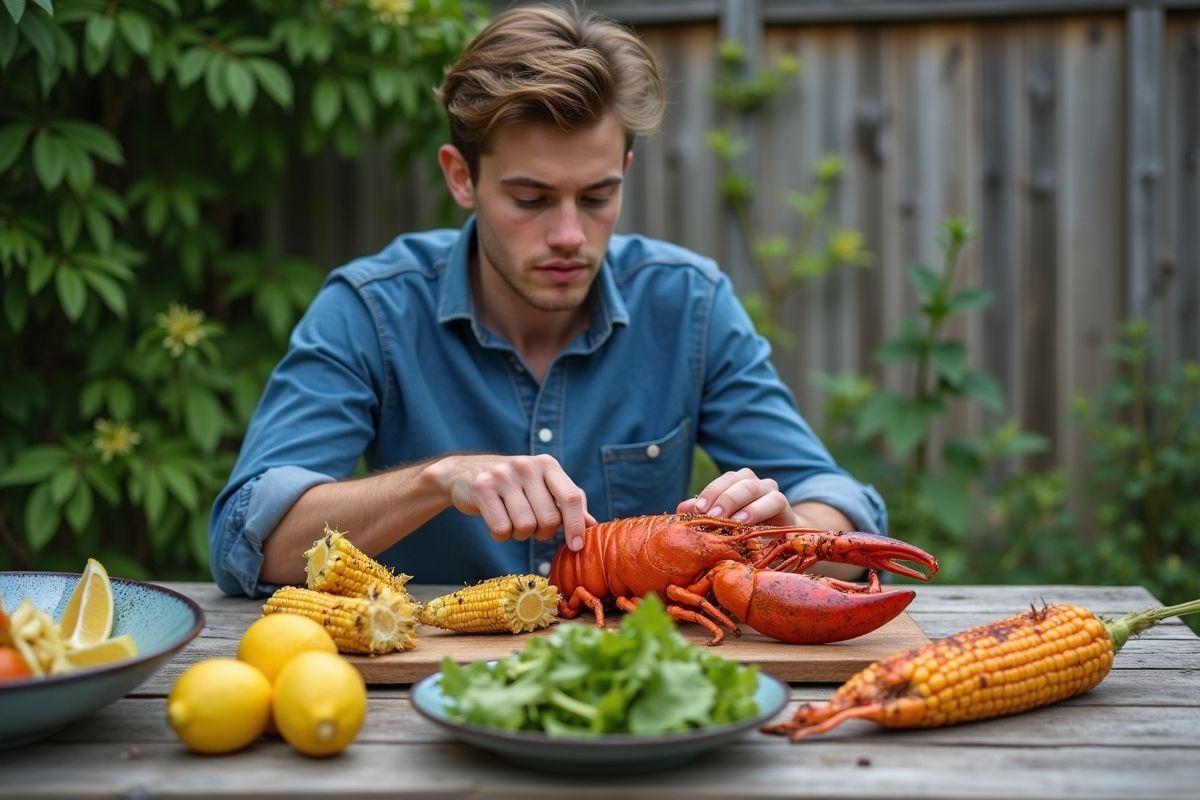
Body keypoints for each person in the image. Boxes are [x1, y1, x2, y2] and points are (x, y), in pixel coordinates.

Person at [208, 2, 886, 598]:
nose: (568, 235)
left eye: (596, 197)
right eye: (530, 199)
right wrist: (437, 480)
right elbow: (248, 539)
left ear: (624, 172)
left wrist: (793, 531)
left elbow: (843, 507)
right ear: (461, 178)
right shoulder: (370, 308)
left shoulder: (689, 303)